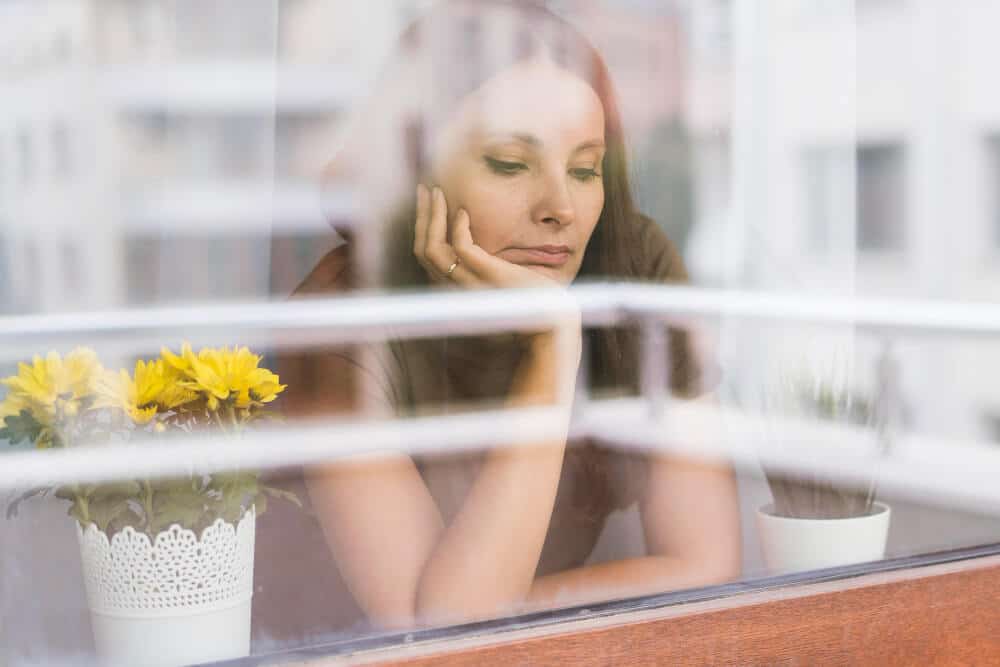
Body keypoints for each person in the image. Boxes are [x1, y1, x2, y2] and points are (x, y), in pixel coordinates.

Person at [254, 0, 740, 639]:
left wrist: (502, 599)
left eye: (586, 169)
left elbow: (706, 563)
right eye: (511, 164)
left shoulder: (631, 265)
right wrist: (552, 351)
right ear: (415, 168)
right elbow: (434, 635)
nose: (560, 208)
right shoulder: (336, 319)